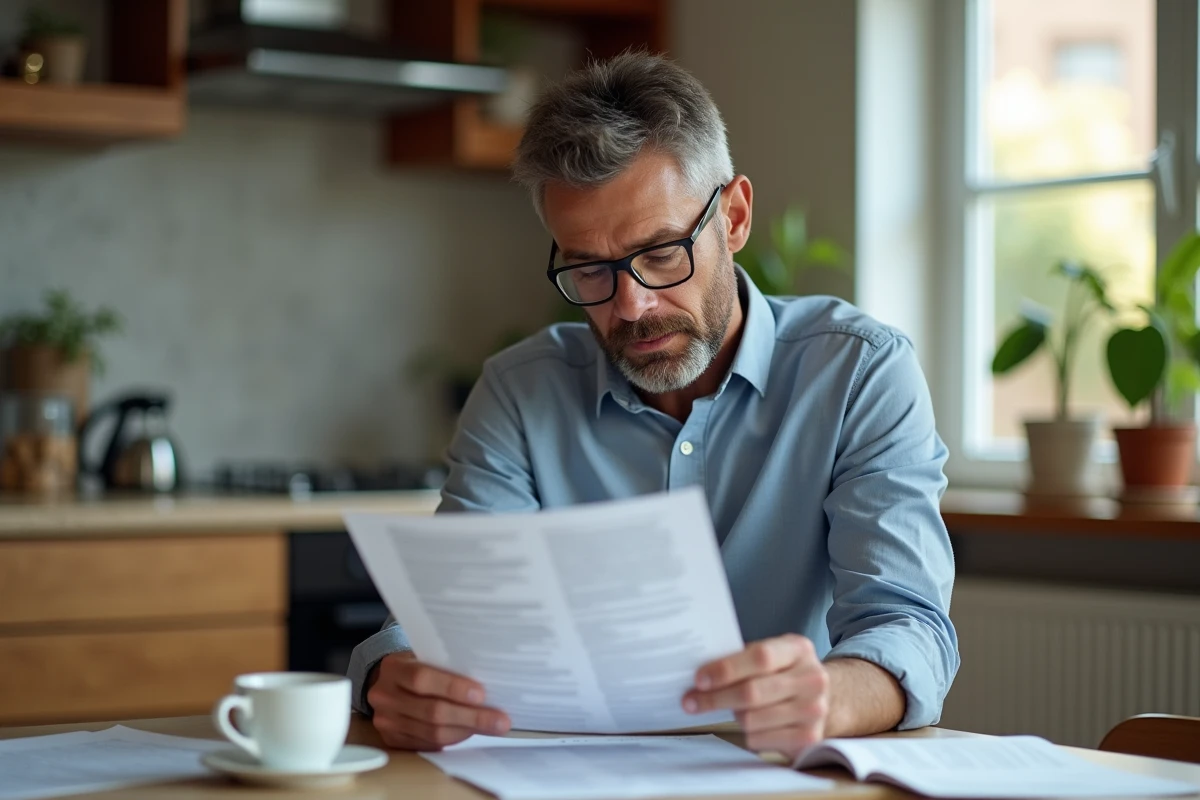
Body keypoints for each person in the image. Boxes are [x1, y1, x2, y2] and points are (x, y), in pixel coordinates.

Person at [348, 51, 958, 760]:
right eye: (588, 267)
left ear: (733, 218)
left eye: (662, 252)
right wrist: (396, 677)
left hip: (780, 776)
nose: (631, 305)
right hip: (560, 776)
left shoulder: (858, 371)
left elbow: (909, 629)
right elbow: (441, 626)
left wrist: (830, 694)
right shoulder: (521, 391)